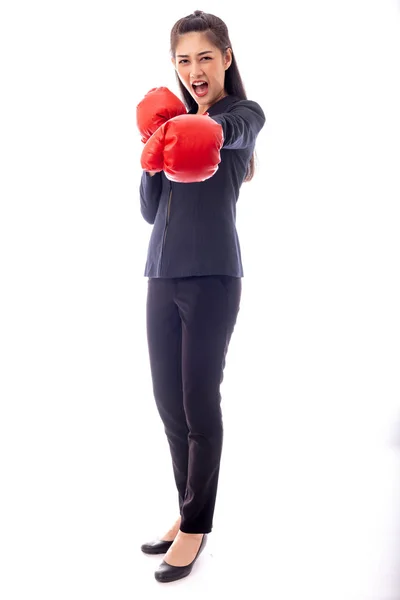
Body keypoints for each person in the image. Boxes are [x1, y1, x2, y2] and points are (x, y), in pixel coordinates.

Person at [136, 10, 266, 583]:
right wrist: (152, 147)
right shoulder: (172, 123)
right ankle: (187, 508)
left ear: (226, 58)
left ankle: (196, 525)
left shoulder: (244, 115)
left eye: (204, 57)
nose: (194, 70)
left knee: (197, 400)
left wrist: (206, 128)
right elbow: (149, 210)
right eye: (183, 60)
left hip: (214, 278)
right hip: (160, 276)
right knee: (168, 402)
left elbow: (236, 132)